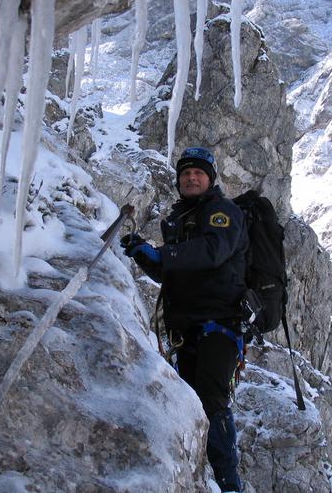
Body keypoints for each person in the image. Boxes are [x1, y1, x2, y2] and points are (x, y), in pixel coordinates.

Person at [121, 147, 248, 492]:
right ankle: (199, 476)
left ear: (210, 179)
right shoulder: (180, 220)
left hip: (220, 323)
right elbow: (172, 272)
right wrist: (145, 254)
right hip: (187, 328)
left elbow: (212, 251)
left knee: (210, 397)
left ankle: (229, 483)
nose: (191, 178)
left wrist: (163, 253)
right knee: (189, 401)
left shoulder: (223, 212)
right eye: (186, 174)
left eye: (199, 173)